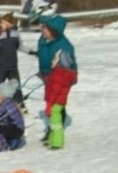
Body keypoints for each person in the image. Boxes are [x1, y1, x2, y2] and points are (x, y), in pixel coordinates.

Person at [37, 14, 77, 149]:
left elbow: (67, 68)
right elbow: (42, 56)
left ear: (53, 32)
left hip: (61, 77)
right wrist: (43, 72)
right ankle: (53, 129)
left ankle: (56, 133)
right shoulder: (43, 40)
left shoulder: (64, 47)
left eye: (45, 29)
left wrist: (68, 76)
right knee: (51, 104)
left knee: (56, 105)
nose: (42, 30)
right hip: (49, 75)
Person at [0, 13, 25, 108]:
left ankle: (20, 105)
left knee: (16, 86)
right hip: (1, 66)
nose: (1, 24)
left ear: (10, 24)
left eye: (3, 23)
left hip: (13, 66)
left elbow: (20, 47)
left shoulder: (16, 34)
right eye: (1, 22)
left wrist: (33, 52)